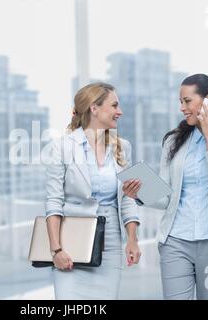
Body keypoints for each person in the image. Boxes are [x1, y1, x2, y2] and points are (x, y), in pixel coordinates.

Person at [123, 74, 208, 300]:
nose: (182, 108)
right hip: (175, 243)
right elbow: (166, 197)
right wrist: (139, 194)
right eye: (180, 101)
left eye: (187, 101)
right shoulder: (174, 141)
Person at [44, 82, 141, 300]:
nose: (120, 112)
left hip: (111, 243)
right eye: (114, 105)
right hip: (71, 243)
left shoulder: (123, 147)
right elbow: (53, 201)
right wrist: (56, 250)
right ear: (94, 109)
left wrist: (132, 239)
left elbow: (126, 199)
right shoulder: (62, 147)